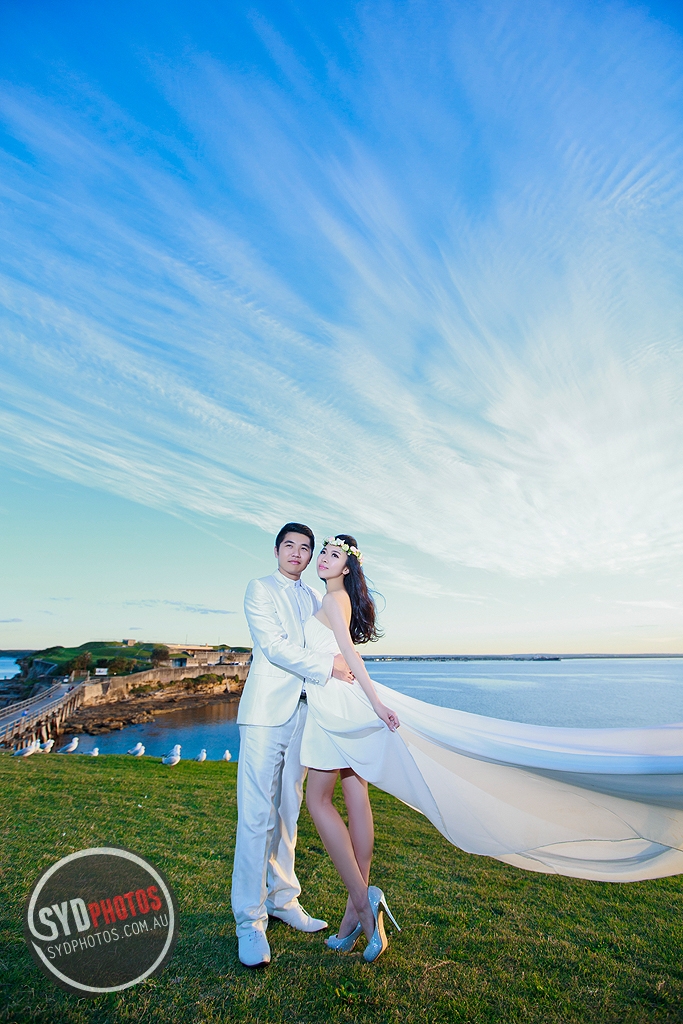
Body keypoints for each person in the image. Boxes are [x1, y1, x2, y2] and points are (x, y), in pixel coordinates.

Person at [300, 534, 683, 963]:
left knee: (318, 800)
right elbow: (345, 653)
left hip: (336, 707)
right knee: (356, 796)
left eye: (333, 555)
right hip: (339, 701)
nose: (323, 559)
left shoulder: (332, 600)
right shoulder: (336, 599)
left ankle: (362, 906)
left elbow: (350, 654)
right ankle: (353, 917)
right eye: (323, 553)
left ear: (347, 567)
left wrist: (377, 703)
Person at [231, 522, 355, 968]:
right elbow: (274, 647)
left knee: (288, 810)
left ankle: (283, 899)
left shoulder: (315, 595)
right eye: (290, 546)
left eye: (306, 548)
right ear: (277, 550)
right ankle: (249, 921)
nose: (298, 554)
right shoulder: (260, 588)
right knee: (256, 815)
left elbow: (332, 637)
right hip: (265, 713)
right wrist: (330, 666)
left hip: (304, 714)